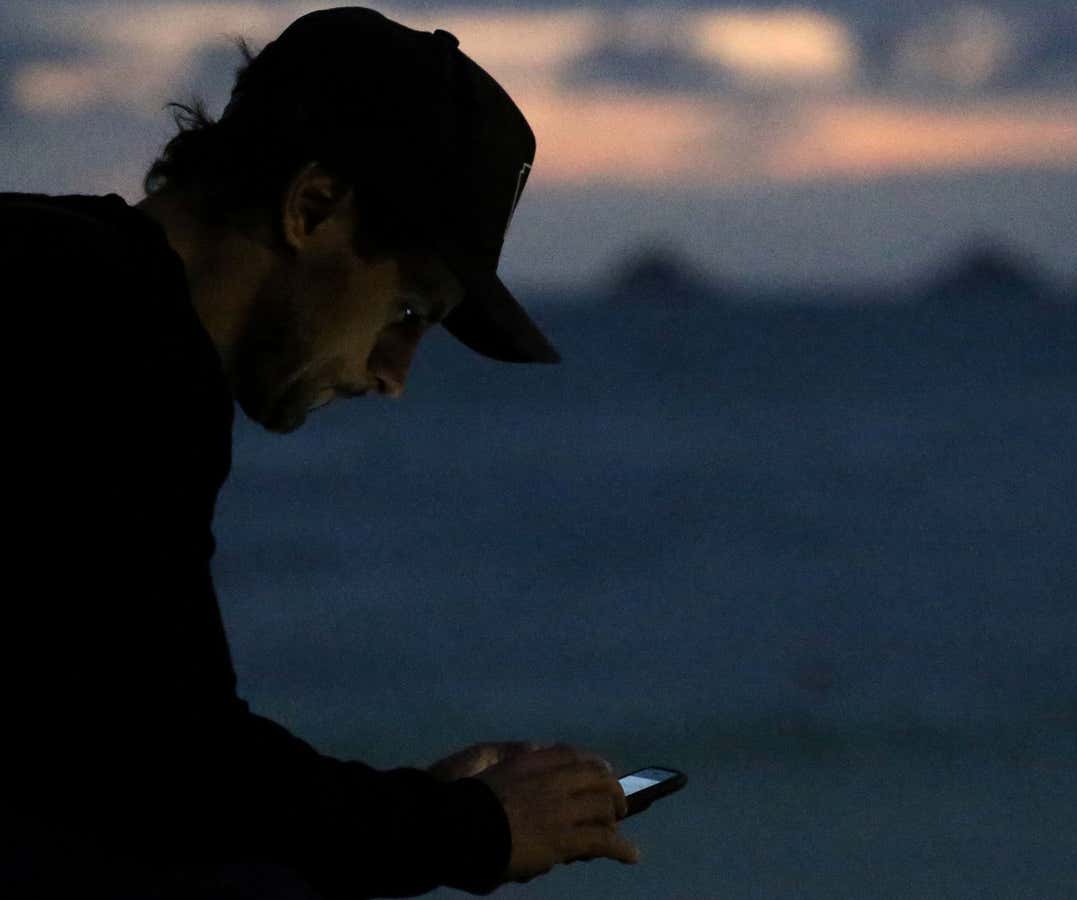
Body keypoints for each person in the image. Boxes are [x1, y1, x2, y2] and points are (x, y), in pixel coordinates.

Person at [0, 7, 639, 898]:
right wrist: (472, 829)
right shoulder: (115, 337)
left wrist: (411, 812)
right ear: (313, 208)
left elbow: (108, 731)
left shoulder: (59, 266)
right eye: (408, 312)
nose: (395, 374)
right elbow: (176, 767)